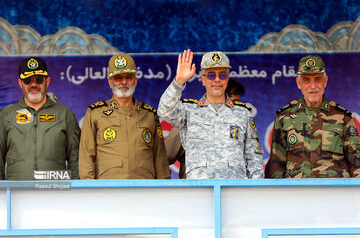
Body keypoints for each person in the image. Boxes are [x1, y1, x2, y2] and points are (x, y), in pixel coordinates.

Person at [158, 49, 264, 179]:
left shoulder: (243, 114)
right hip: (198, 192)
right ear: (203, 80)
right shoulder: (188, 111)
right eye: (211, 75)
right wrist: (178, 82)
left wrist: (254, 191)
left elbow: (254, 159)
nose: (217, 79)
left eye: (222, 75)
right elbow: (164, 110)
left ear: (227, 79)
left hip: (234, 193)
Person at [265, 55, 360, 178]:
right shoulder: (284, 117)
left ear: (325, 81)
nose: (313, 86)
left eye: (317, 79)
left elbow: (356, 162)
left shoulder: (342, 117)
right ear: (299, 83)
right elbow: (276, 165)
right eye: (306, 80)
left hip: (335, 193)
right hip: (297, 193)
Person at [79, 53, 170, 179]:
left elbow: (160, 159)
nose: (123, 82)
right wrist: (89, 190)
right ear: (110, 82)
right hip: (108, 189)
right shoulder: (95, 113)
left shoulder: (149, 115)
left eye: (128, 77)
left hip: (144, 189)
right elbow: (86, 156)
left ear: (135, 81)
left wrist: (163, 191)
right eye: (118, 78)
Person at [0, 57, 80, 180]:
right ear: (20, 83)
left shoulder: (65, 114)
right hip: (17, 193)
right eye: (27, 80)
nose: (33, 84)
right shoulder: (6, 115)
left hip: (56, 190)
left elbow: (76, 159)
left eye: (38, 79)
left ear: (47, 81)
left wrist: (77, 192)